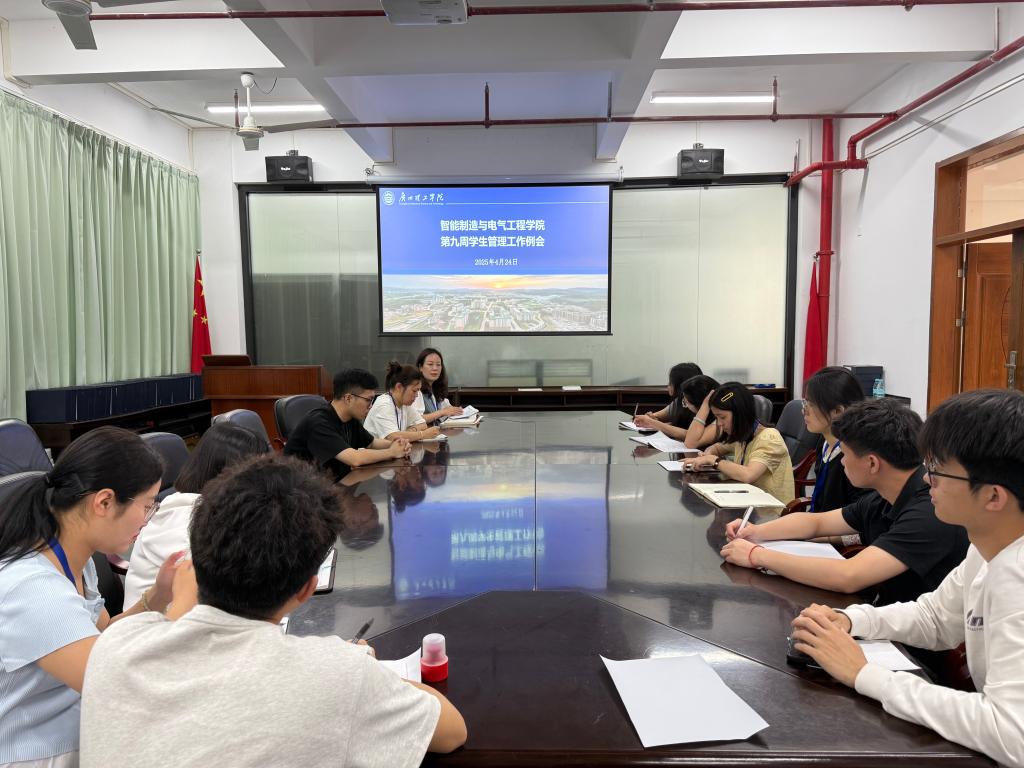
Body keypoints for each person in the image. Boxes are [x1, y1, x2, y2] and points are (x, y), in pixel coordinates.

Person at [80, 454, 467, 768]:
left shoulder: (114, 645)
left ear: (196, 553)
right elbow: (452, 731)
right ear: (306, 589)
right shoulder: (339, 675)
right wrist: (363, 669)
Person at [789, 389, 1024, 768]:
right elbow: (936, 618)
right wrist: (851, 620)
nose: (928, 479)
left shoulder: (1017, 575)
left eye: (939, 470)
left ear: (993, 497)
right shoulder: (987, 547)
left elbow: (1012, 734)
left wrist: (865, 673)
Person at [0, 427, 195, 767]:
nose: (147, 520)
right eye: (147, 506)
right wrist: (182, 606)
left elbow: (103, 637)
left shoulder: (77, 559)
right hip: (37, 755)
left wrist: (159, 595)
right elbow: (122, 688)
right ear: (104, 502)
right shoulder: (34, 592)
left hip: (79, 736)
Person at [721, 398, 969, 607]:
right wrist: (755, 532)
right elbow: (817, 523)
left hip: (915, 640)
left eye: (846, 454)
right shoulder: (885, 495)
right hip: (883, 614)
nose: (841, 461)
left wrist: (756, 555)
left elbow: (848, 576)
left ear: (872, 463)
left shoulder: (928, 511)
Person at [124, 421, 269, 607]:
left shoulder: (212, 509)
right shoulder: (181, 521)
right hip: (157, 622)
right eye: (256, 476)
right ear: (229, 476)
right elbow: (223, 590)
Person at [285, 368, 412, 480]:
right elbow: (355, 459)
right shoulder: (319, 422)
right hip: (302, 492)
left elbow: (372, 443)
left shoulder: (350, 418)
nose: (371, 406)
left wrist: (398, 444)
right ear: (348, 398)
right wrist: (392, 452)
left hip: (332, 483)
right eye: (369, 400)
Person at [686, 382, 795, 504]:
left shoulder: (769, 438)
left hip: (769, 510)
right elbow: (718, 447)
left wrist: (713, 460)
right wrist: (707, 454)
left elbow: (748, 475)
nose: (719, 423)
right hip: (747, 502)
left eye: (722, 417)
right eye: (716, 418)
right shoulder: (743, 435)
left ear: (740, 413)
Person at [803, 367, 867, 511]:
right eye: (805, 403)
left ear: (838, 411)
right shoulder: (825, 442)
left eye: (811, 404)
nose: (804, 411)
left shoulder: (855, 455)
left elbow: (858, 515)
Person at [364, 362, 442, 442]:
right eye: (414, 391)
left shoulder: (404, 403)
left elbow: (422, 424)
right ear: (399, 387)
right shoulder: (384, 404)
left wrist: (408, 432)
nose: (417, 395)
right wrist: (423, 435)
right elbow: (393, 437)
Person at [633, 362, 702, 436]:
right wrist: (651, 417)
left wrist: (653, 422)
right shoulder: (678, 402)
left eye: (670, 382)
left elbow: (691, 435)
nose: (668, 385)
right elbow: (656, 416)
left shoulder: (701, 406)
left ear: (680, 385)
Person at [414, 348, 464, 425]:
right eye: (430, 364)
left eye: (438, 365)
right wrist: (441, 412)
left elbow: (448, 408)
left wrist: (457, 411)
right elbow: (416, 420)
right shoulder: (416, 391)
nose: (435, 368)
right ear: (420, 367)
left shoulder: (435, 389)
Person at [678, 375, 722, 449]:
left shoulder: (722, 418)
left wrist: (705, 405)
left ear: (699, 404)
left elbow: (690, 443)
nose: (685, 405)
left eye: (686, 402)